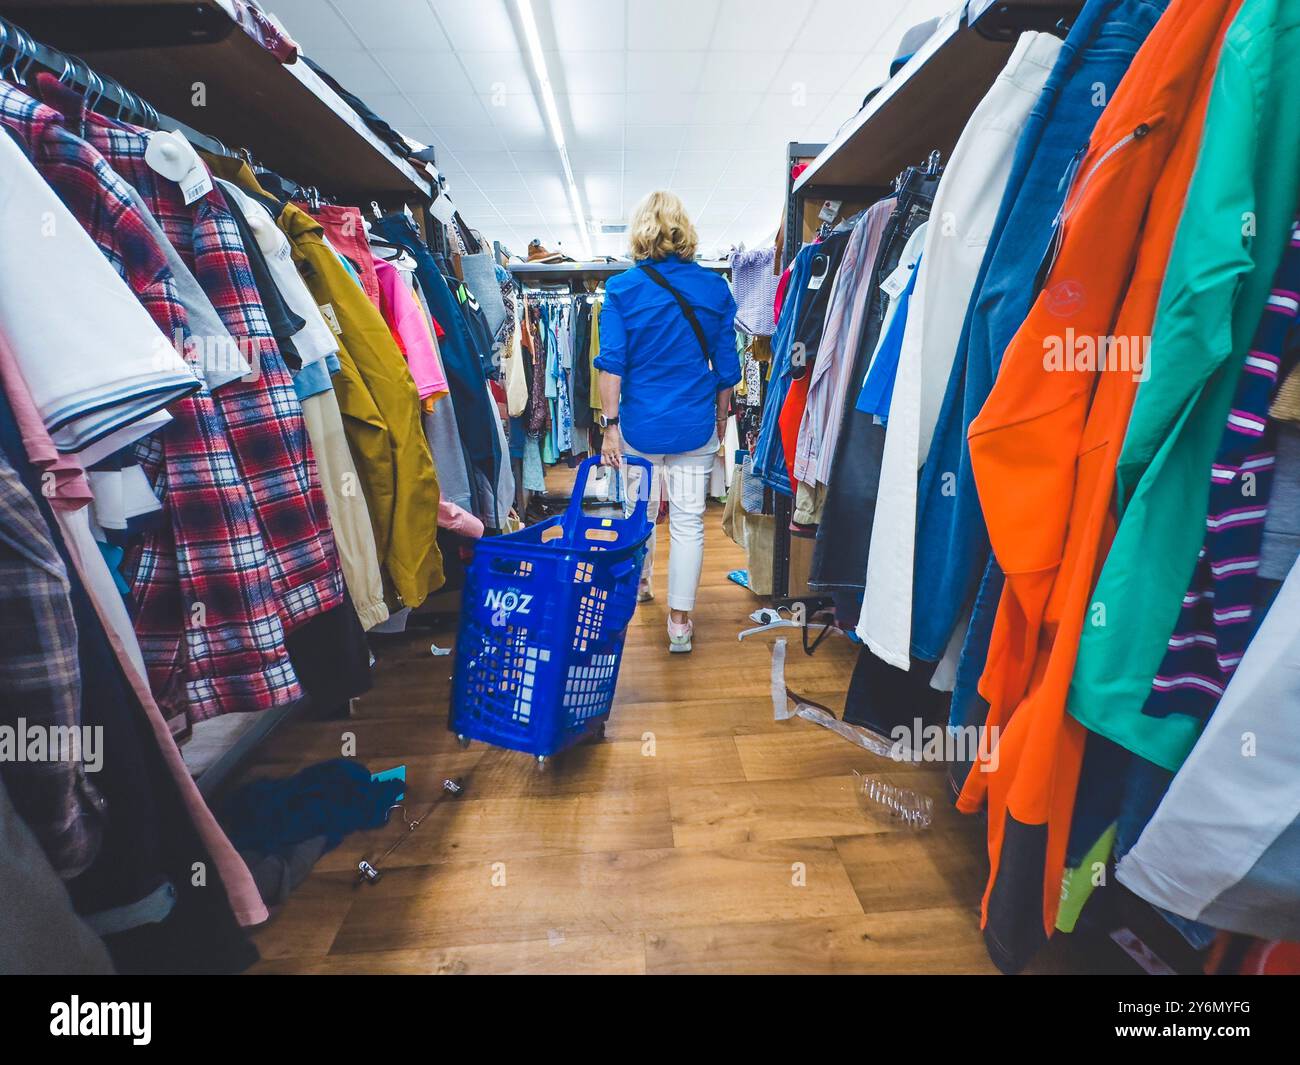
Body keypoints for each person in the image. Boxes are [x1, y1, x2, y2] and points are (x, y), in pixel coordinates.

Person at [595, 191, 740, 653]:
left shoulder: (620, 289)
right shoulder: (716, 289)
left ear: (640, 232)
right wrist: (720, 421)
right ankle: (680, 622)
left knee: (639, 514)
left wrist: (610, 427)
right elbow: (727, 368)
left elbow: (611, 365)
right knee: (688, 522)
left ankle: (641, 585)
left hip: (638, 428)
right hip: (693, 425)